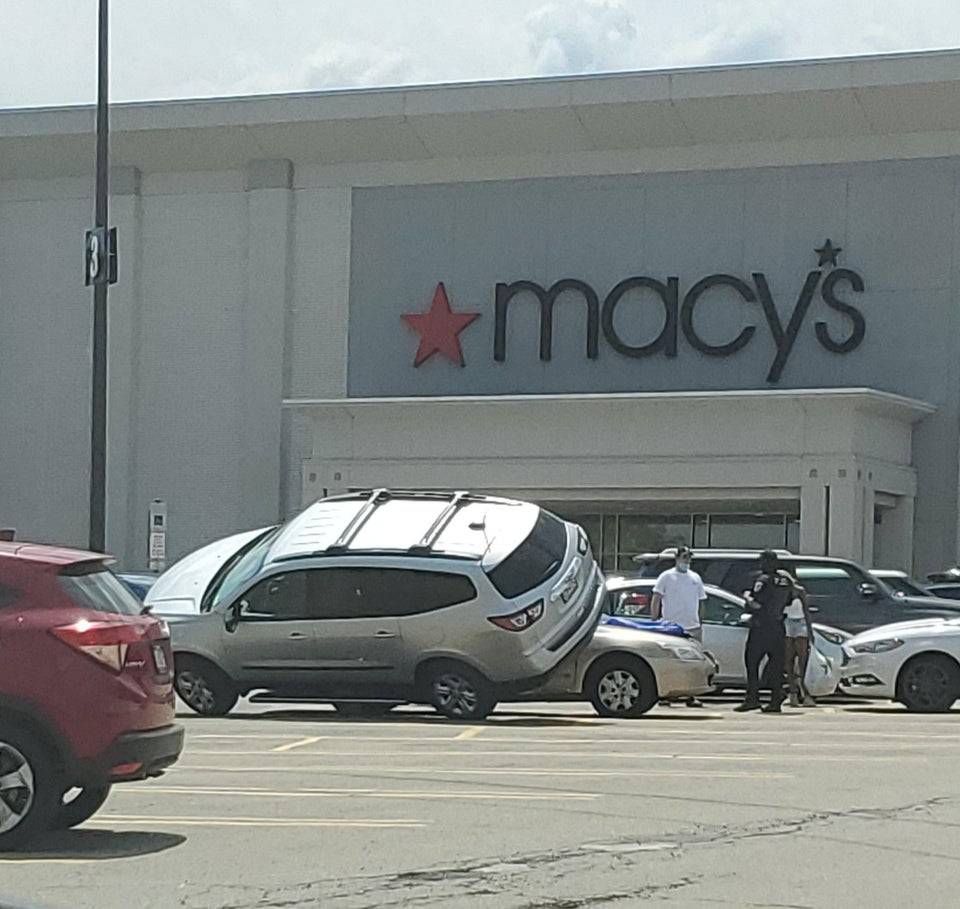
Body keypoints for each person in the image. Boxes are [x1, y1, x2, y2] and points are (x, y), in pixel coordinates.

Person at [734, 549, 793, 713]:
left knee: (752, 663)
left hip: (761, 627)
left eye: (762, 561)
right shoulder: (785, 581)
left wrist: (747, 596)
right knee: (776, 666)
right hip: (778, 627)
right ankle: (775, 701)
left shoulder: (763, 580)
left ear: (767, 563)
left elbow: (756, 604)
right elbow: (789, 601)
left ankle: (752, 699)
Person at [651, 546, 707, 707]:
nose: (687, 560)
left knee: (694, 663)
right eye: (684, 557)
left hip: (692, 627)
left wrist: (700, 621)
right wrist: (655, 619)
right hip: (671, 627)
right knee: (669, 661)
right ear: (677, 558)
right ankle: (666, 695)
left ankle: (691, 695)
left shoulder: (695, 578)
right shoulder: (666, 576)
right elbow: (656, 598)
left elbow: (702, 601)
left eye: (689, 557)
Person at [784, 580, 816, 707]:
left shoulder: (799, 591)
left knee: (803, 661)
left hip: (800, 623)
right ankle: (793, 693)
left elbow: (806, 611)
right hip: (786, 622)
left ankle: (805, 693)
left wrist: (810, 630)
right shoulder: (781, 591)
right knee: (788, 661)